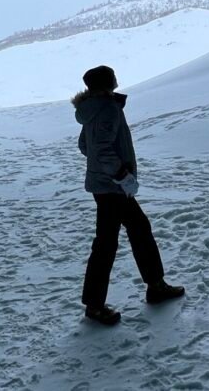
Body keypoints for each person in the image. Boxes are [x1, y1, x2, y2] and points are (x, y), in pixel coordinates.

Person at [73, 64, 185, 325]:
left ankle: (153, 286)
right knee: (111, 242)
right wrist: (121, 174)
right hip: (113, 186)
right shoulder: (108, 108)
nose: (116, 78)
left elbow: (85, 145)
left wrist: (105, 170)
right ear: (105, 83)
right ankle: (97, 305)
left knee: (134, 232)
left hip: (105, 185)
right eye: (112, 75)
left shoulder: (92, 109)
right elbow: (100, 149)